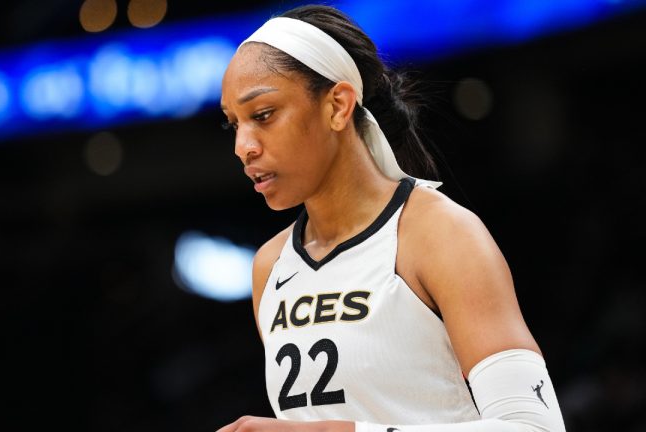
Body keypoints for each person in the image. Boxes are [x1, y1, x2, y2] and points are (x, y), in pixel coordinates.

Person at [217, 5, 566, 432]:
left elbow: (536, 427)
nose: (243, 146)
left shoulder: (439, 232)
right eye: (233, 124)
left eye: (263, 115)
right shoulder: (270, 267)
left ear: (338, 106)